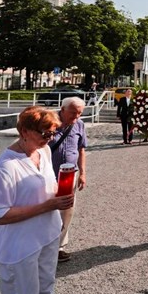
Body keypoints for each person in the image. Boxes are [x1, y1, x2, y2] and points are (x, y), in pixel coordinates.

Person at [0, 106, 74, 294]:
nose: (49, 139)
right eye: (45, 133)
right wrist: (47, 205)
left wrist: (61, 194)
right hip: (21, 243)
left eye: (53, 134)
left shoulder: (44, 151)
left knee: (45, 293)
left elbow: (42, 188)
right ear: (24, 130)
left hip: (48, 234)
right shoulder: (7, 166)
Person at [49, 97, 88, 264]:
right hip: (48, 174)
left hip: (68, 175)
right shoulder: (49, 122)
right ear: (62, 109)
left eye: (79, 113)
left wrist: (83, 174)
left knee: (66, 210)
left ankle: (59, 247)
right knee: (46, 210)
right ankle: (44, 245)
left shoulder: (79, 124)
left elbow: (81, 149)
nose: (77, 116)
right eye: (73, 113)